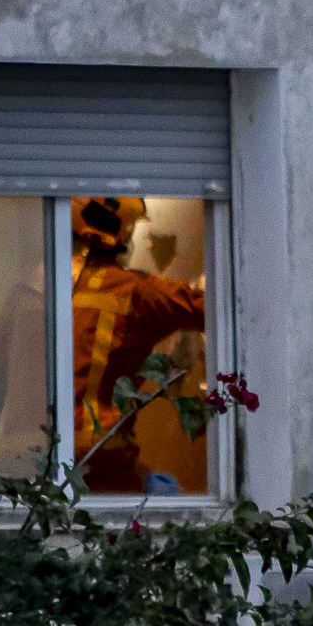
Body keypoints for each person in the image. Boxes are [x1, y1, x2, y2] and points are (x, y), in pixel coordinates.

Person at [70, 195, 205, 494]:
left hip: (30, 464)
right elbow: (216, 308)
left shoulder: (32, 291)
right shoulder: (134, 291)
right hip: (101, 458)